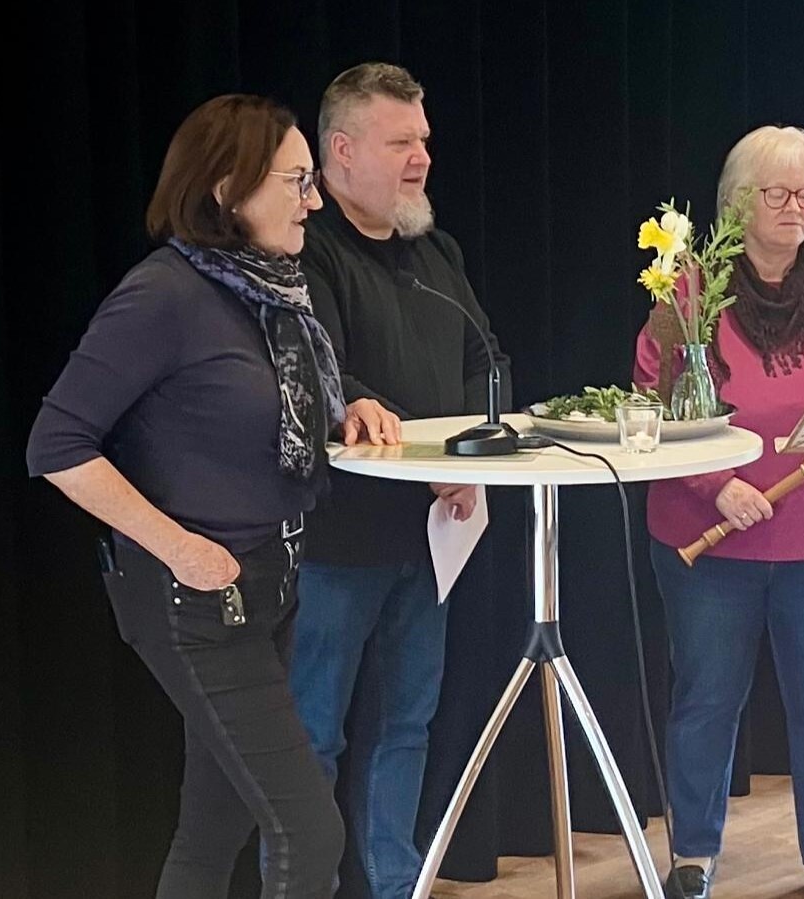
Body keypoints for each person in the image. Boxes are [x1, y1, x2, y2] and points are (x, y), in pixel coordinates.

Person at [26, 94, 400, 899]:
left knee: (215, 821)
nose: (313, 201)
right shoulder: (162, 294)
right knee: (308, 828)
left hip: (272, 580)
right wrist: (179, 547)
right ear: (229, 188)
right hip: (195, 598)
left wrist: (348, 402)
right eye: (297, 181)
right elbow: (55, 444)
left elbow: (272, 390)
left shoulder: (269, 290)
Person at [635, 125, 804, 899]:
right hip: (709, 543)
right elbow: (652, 407)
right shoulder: (686, 295)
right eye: (777, 192)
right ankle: (692, 856)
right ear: (737, 202)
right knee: (705, 701)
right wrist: (716, 484)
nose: (794, 206)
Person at [287, 63, 510, 899]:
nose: (421, 158)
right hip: (339, 541)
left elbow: (486, 359)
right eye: (401, 142)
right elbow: (320, 374)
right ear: (341, 152)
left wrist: (478, 449)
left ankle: (392, 884)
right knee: (314, 733)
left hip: (430, 536)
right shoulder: (308, 249)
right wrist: (382, 420)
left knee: (406, 724)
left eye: (424, 140)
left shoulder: (435, 252)